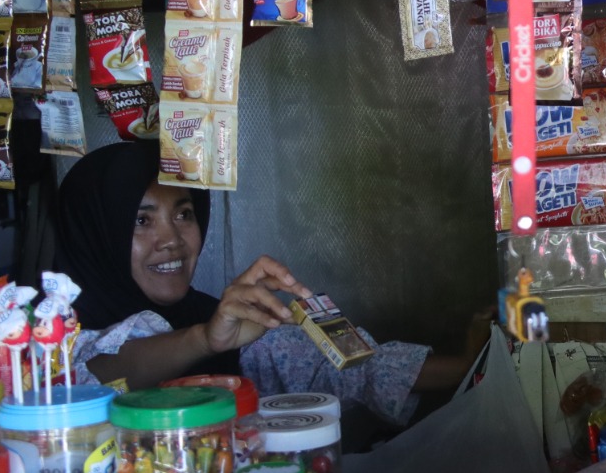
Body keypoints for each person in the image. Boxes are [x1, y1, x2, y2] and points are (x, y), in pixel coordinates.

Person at [56, 141, 473, 427]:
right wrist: (202, 340)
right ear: (94, 232)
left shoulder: (221, 320)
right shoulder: (44, 339)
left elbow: (355, 369)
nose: (172, 240)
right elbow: (89, 379)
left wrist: (477, 364)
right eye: (141, 221)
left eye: (184, 214)